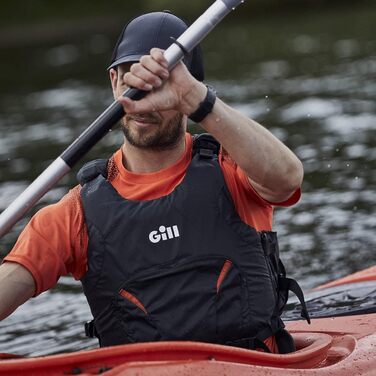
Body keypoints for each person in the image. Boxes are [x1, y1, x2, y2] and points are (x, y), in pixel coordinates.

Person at [0, 11, 309, 353]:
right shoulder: (73, 215)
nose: (143, 98)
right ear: (114, 81)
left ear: (189, 85)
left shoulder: (234, 168)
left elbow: (287, 179)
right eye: (131, 79)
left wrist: (196, 99)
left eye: (159, 81)